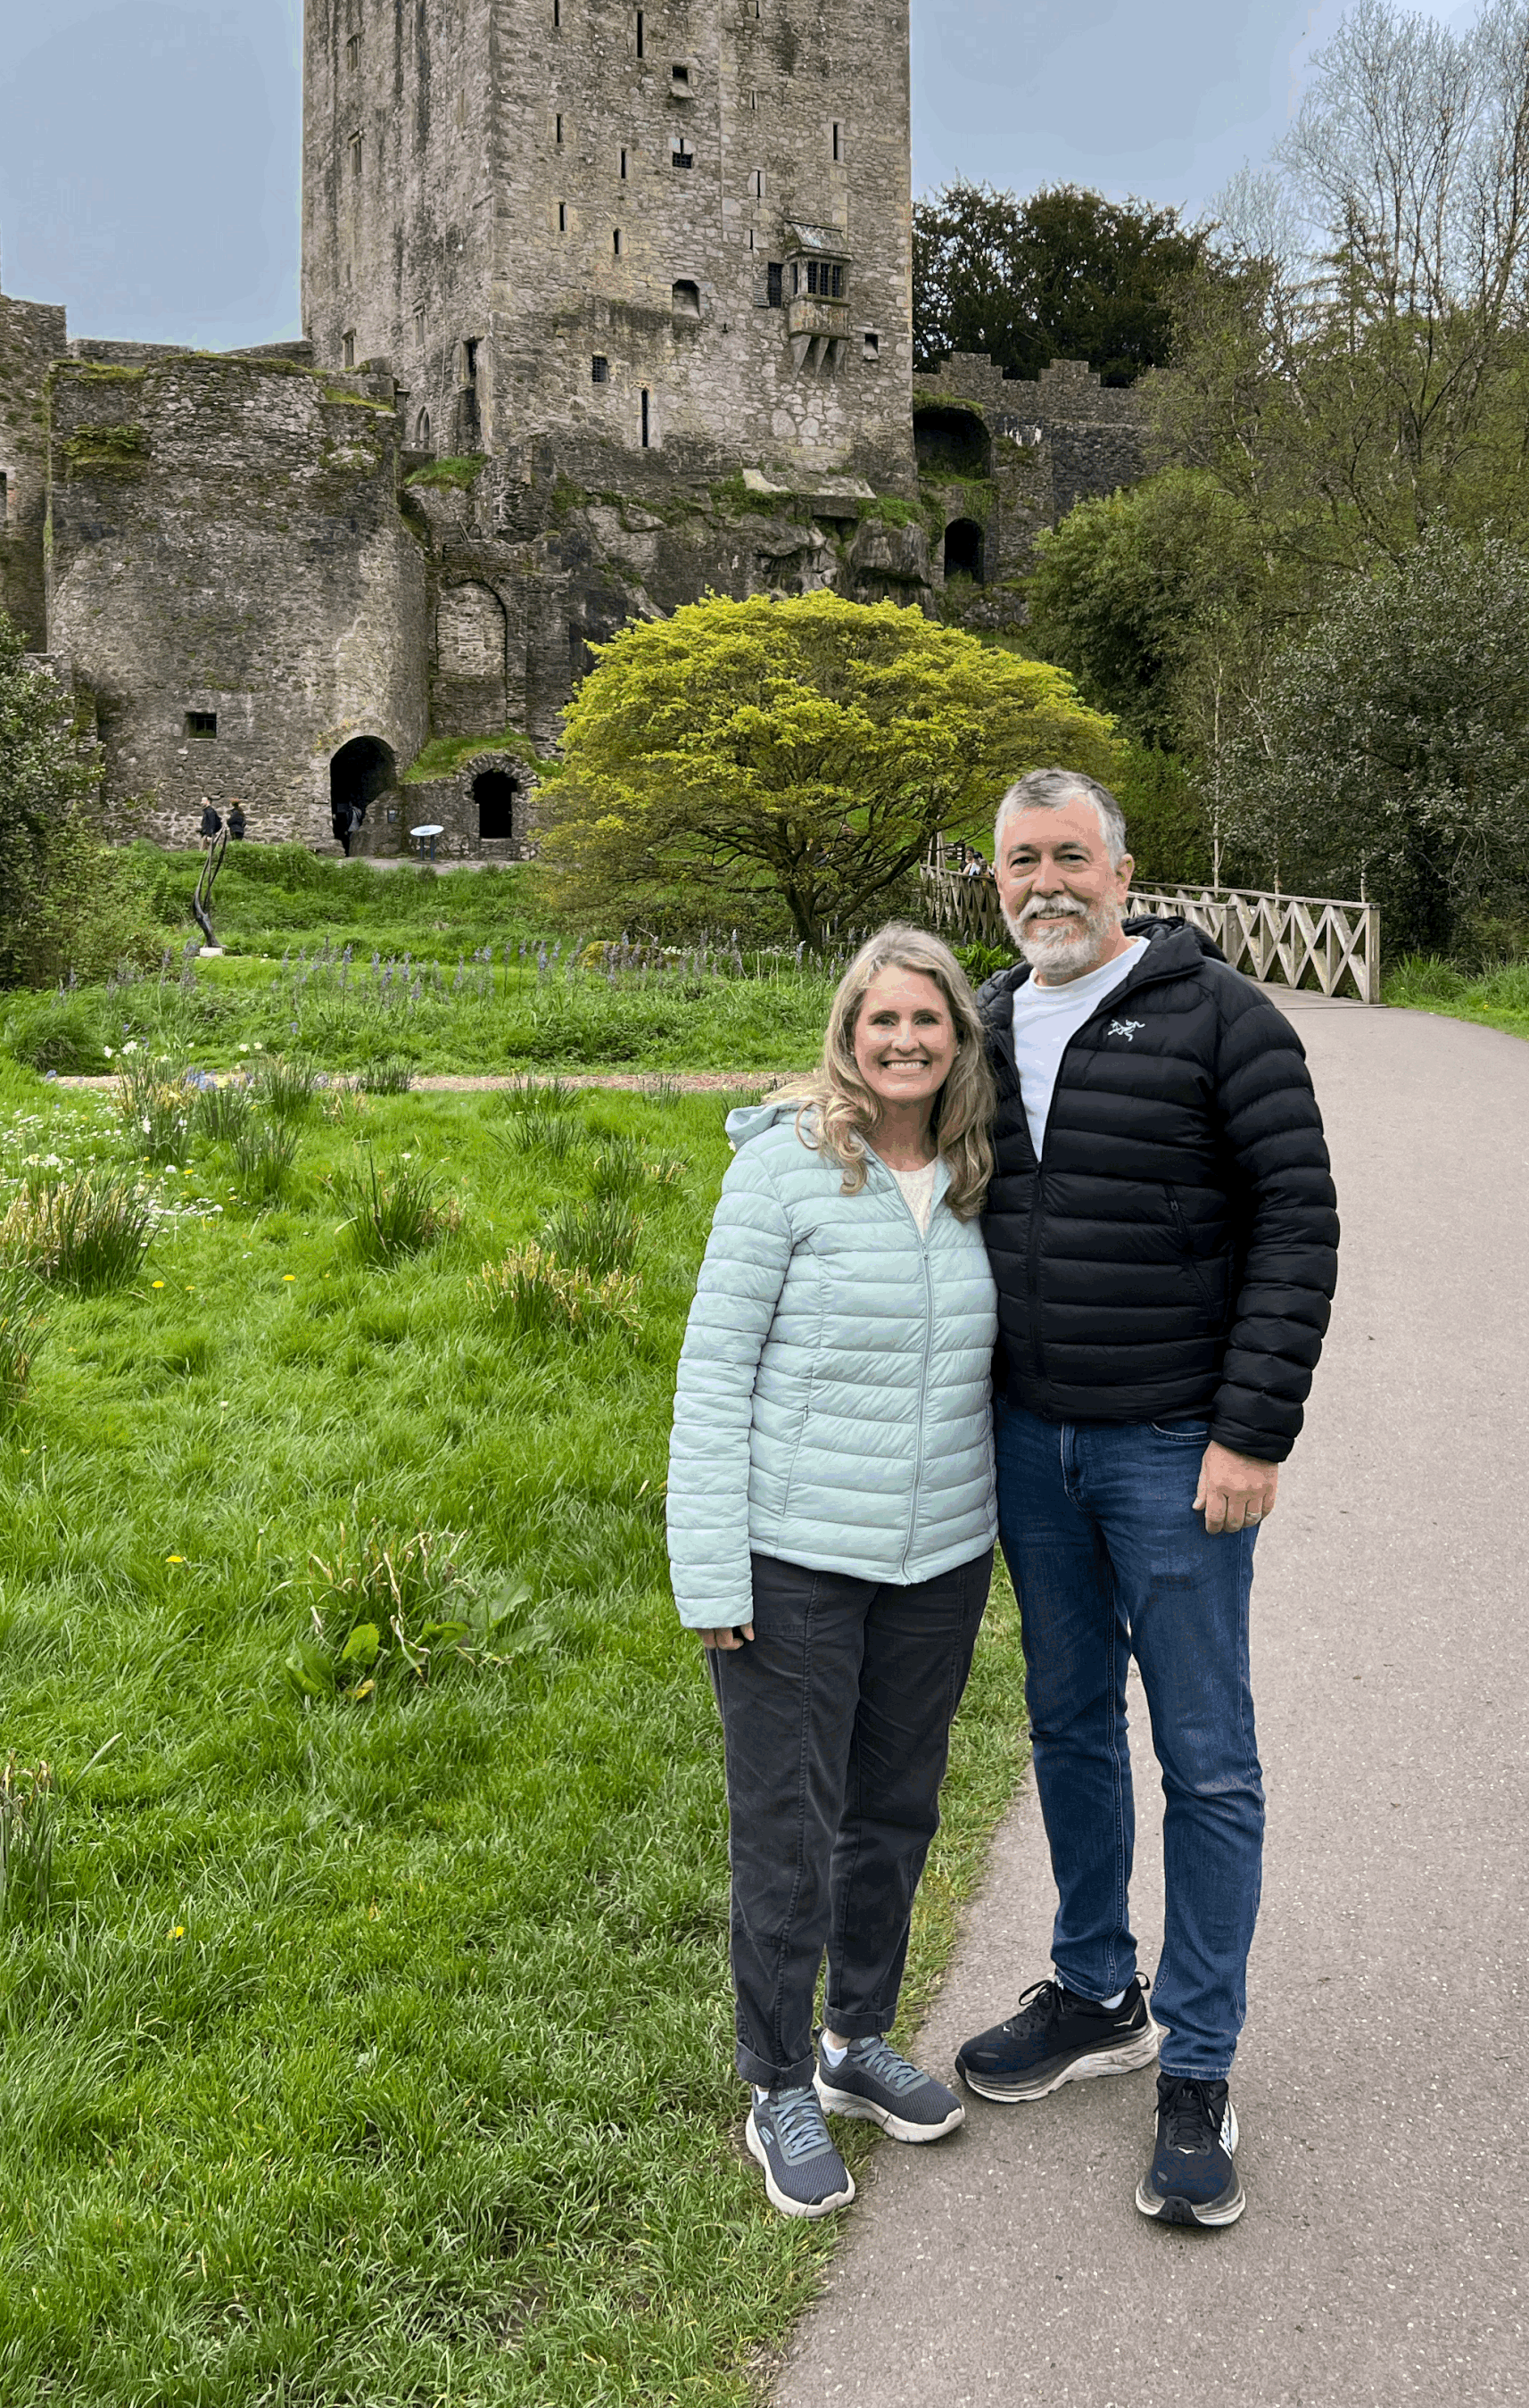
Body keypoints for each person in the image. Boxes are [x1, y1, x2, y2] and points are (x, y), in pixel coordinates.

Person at [951, 768, 1339, 2231]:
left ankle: (1201, 2057)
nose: (1044, 884)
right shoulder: (985, 1022)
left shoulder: (1224, 1018)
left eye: (1070, 858)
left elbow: (1299, 1222)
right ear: (995, 882)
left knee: (1207, 1752)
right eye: (1018, 863)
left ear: (1124, 872)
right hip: (1032, 1446)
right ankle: (1098, 1987)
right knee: (1064, 1720)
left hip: (1176, 1449)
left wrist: (1251, 1431)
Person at [668, 923, 1000, 2220]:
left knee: (896, 1812)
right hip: (793, 1561)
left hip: (939, 1560)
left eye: (931, 1023)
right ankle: (775, 2082)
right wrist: (713, 1576)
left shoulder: (979, 1174)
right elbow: (711, 1379)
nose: (907, 1042)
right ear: (848, 1037)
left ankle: (856, 2042)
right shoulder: (784, 1174)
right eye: (884, 1024)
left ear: (959, 1040)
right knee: (790, 1833)